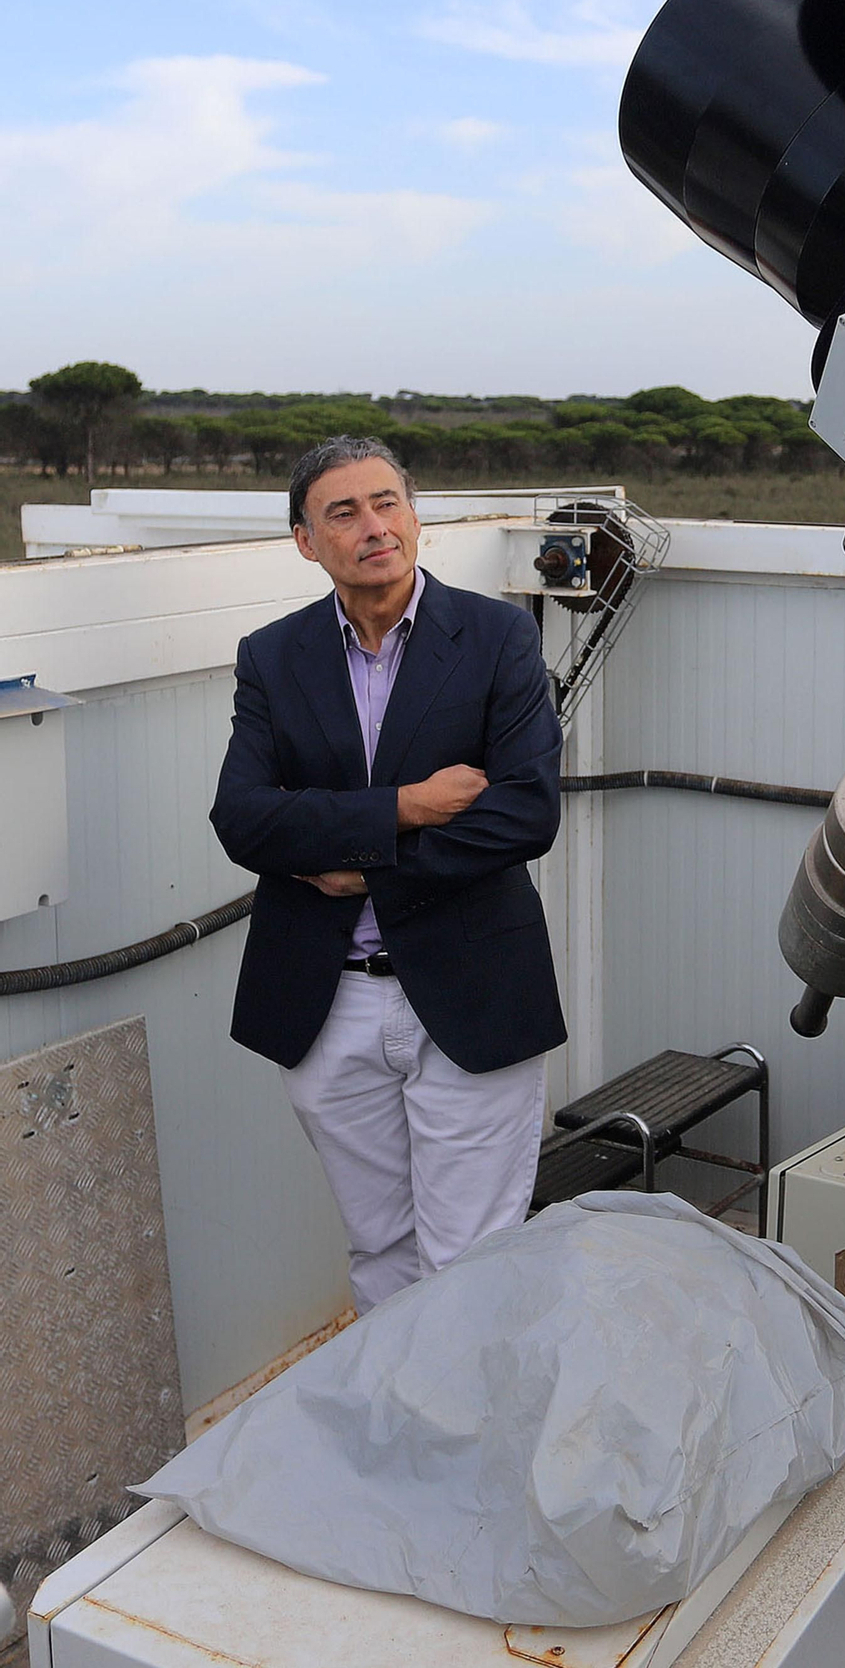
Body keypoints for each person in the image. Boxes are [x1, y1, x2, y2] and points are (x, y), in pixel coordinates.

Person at [210, 435, 564, 1311]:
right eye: (344, 512)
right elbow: (244, 817)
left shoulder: (496, 637)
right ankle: (396, 1443)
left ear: (414, 516)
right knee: (380, 1254)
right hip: (329, 1003)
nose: (374, 526)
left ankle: (472, 1447)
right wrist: (403, 808)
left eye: (388, 503)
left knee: (470, 1263)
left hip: (470, 989)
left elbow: (525, 811)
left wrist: (358, 865)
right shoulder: (273, 656)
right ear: (305, 540)